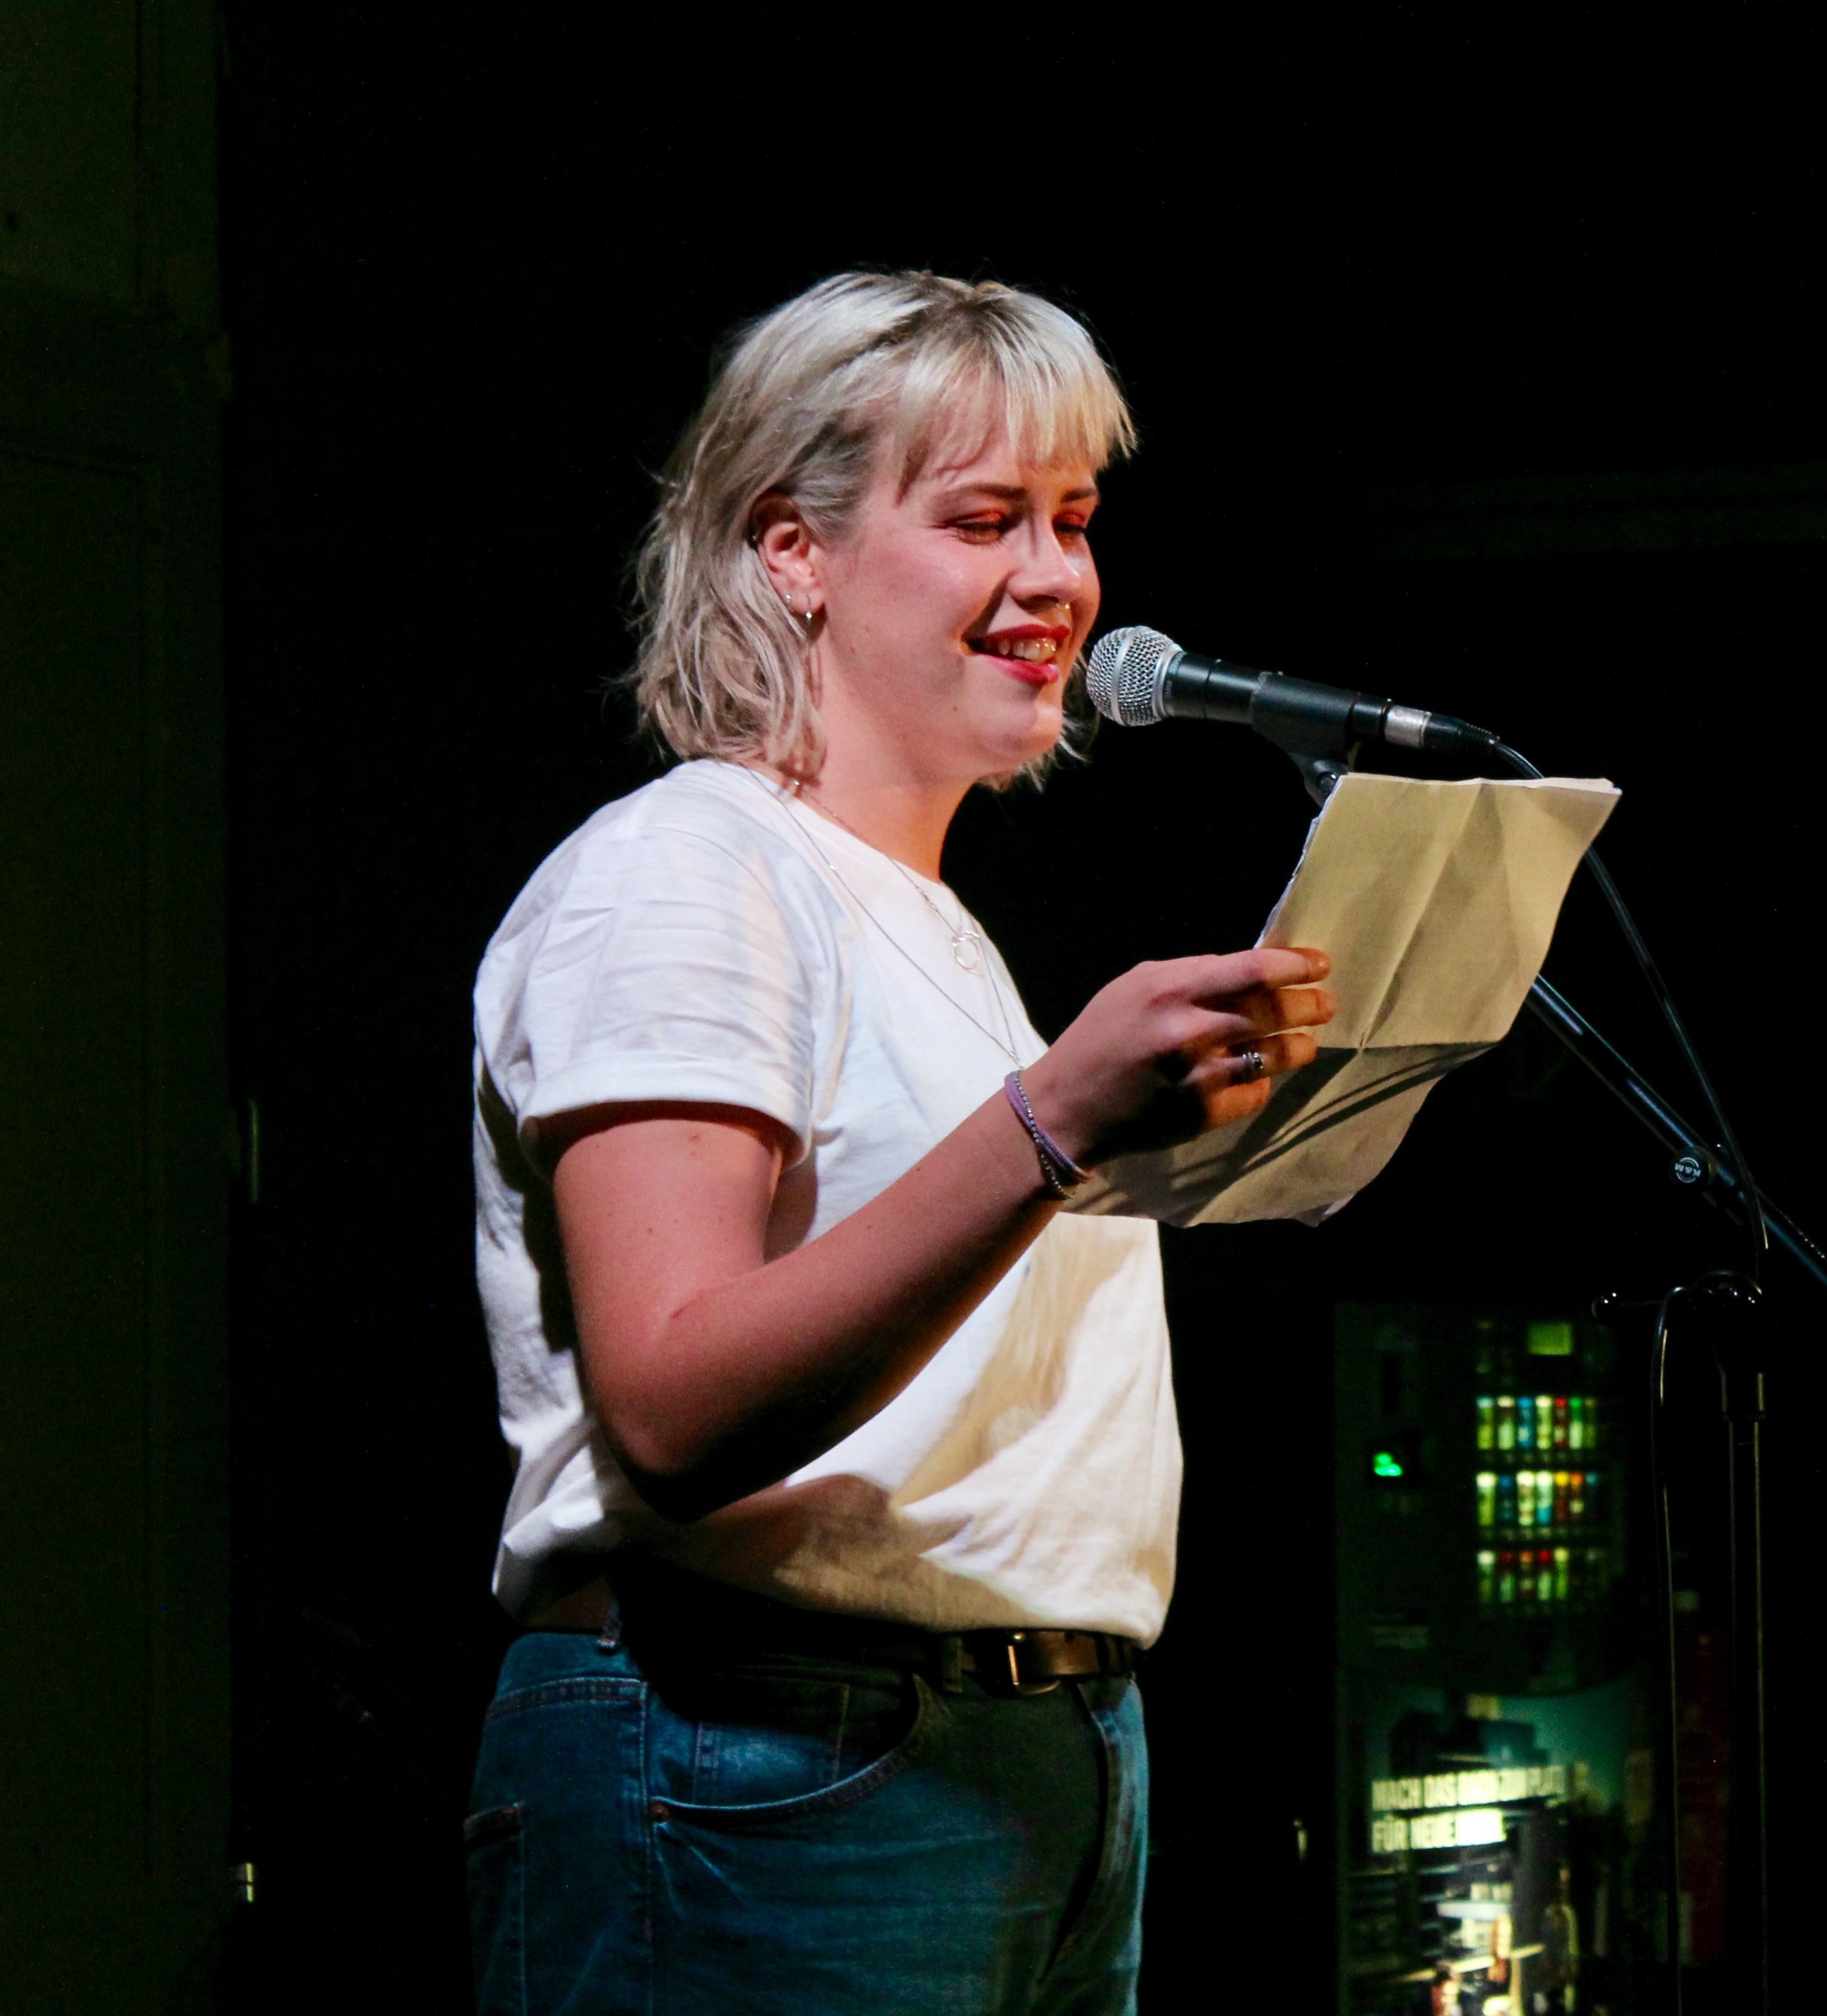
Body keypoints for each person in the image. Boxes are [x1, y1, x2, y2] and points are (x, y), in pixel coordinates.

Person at [462, 269, 1330, 2015]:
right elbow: (673, 1402)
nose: (1054, 581)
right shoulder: (687, 873)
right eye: (984, 519)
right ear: (794, 551)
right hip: (771, 1749)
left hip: (1023, 1752)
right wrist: (1056, 1120)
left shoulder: (923, 922)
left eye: (1073, 521)